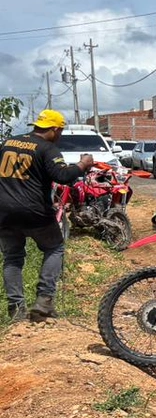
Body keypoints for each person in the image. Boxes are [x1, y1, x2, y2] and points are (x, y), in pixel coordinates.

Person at [0, 110, 93, 322]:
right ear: (54, 129)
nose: (59, 136)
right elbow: (62, 175)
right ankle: (44, 300)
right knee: (54, 247)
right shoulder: (47, 148)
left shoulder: (8, 143)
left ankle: (16, 309)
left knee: (12, 258)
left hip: (3, 213)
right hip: (34, 212)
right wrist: (82, 164)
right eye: (59, 132)